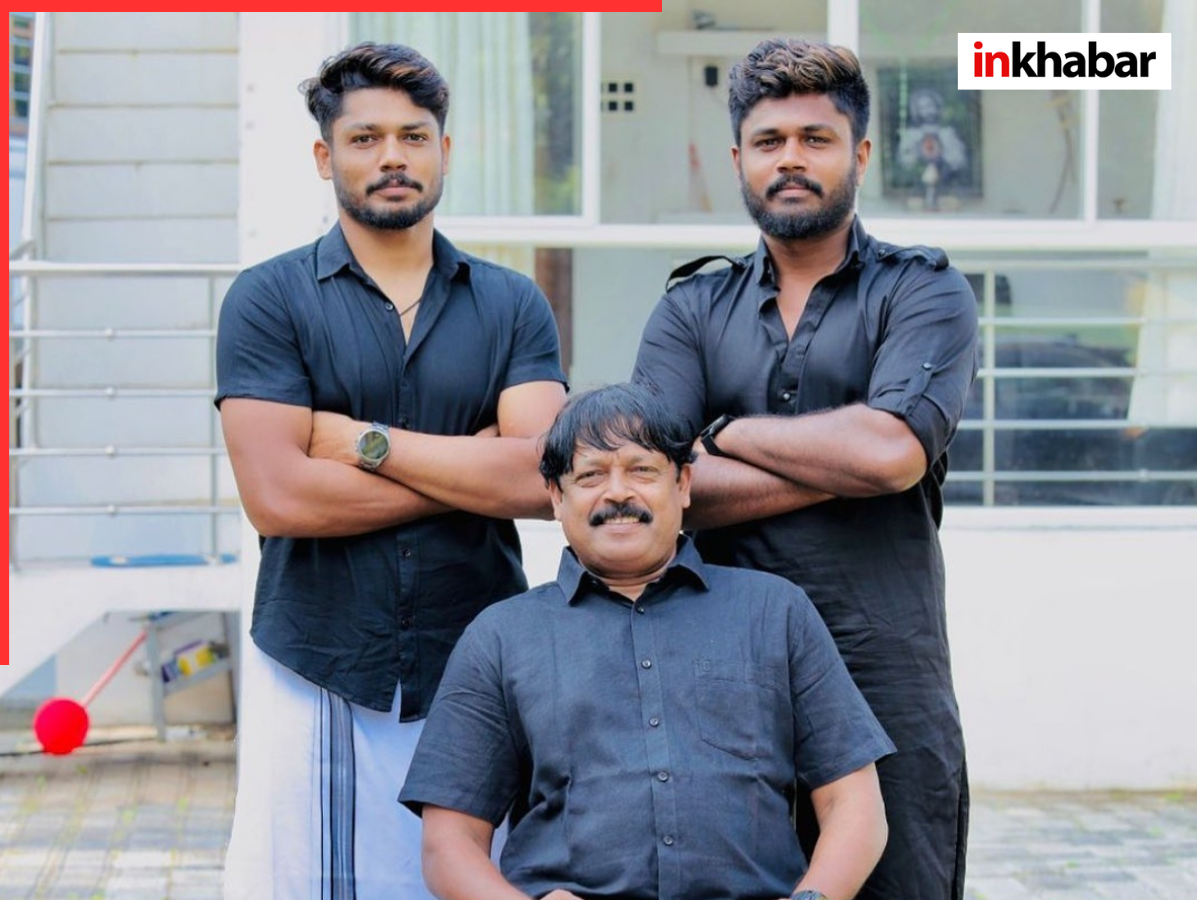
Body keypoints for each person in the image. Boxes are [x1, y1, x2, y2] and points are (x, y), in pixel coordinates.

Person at [215, 42, 567, 900]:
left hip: (475, 658)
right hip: (315, 658)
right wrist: (471, 461)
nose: (392, 157)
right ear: (324, 155)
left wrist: (364, 444)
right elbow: (279, 498)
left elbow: (540, 481)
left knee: (473, 881)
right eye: (365, 138)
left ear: (446, 150)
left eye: (414, 136)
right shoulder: (268, 300)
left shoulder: (511, 302)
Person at [631, 38, 978, 900]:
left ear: (860, 154)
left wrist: (724, 434)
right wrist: (849, 459)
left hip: (883, 669)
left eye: (816, 139)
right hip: (717, 669)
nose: (791, 158)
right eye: (770, 140)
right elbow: (653, 486)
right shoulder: (690, 309)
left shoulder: (922, 292)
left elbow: (892, 452)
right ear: (738, 161)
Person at [399, 383, 895, 900]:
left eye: (642, 470)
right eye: (591, 475)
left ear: (683, 484)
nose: (617, 493)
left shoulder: (775, 611)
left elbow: (854, 804)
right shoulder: (500, 637)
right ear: (556, 496)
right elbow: (448, 843)